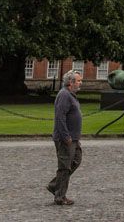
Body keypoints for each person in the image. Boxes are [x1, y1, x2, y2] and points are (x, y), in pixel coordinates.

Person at [47, 70, 83, 206]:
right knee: (64, 166)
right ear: (70, 82)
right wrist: (66, 136)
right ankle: (60, 196)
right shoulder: (64, 95)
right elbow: (60, 117)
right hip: (65, 139)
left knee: (76, 160)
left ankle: (54, 185)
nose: (81, 83)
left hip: (73, 138)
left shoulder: (71, 95)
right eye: (78, 81)